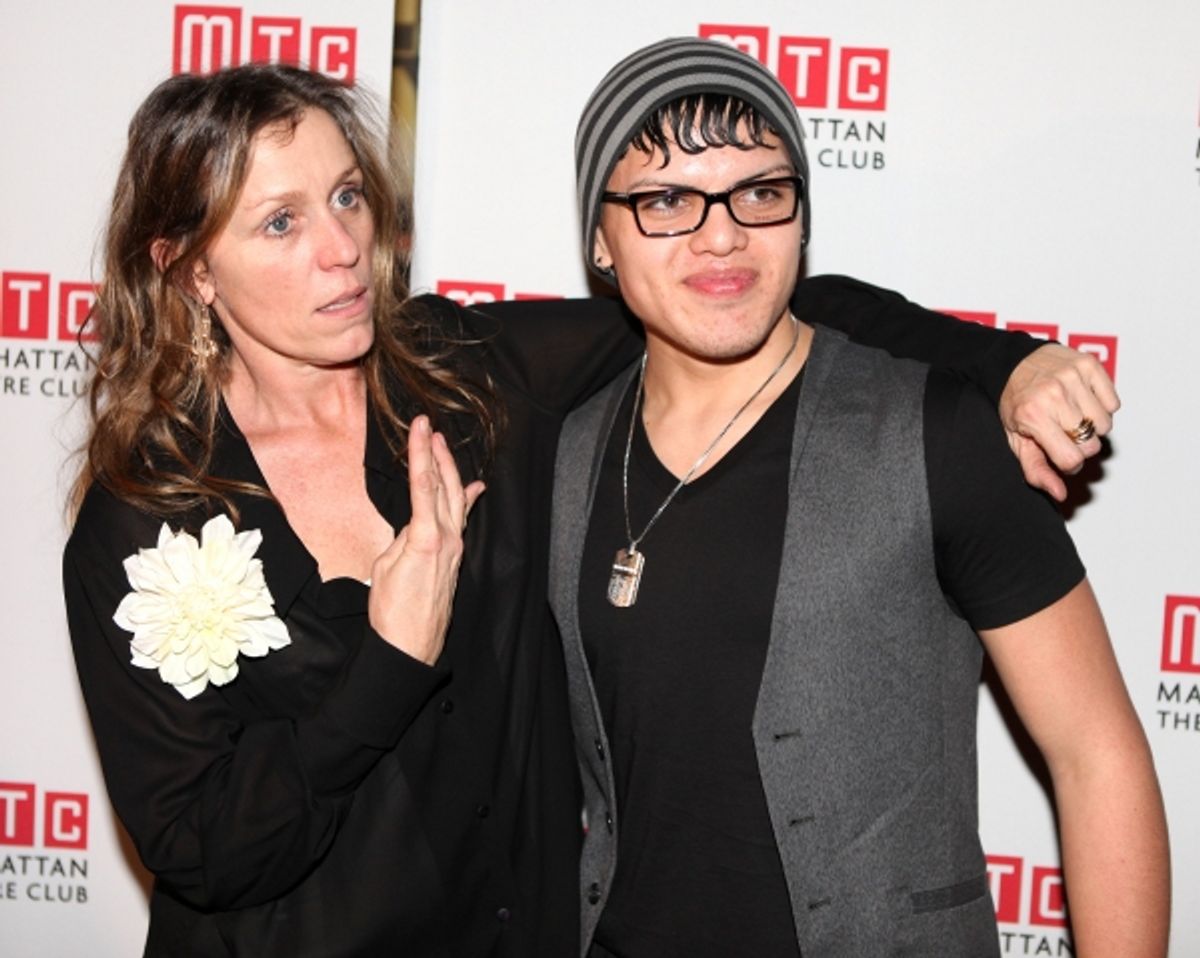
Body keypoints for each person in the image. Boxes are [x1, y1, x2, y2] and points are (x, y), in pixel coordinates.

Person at [63, 64, 1117, 958]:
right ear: (189, 267)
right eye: (280, 222)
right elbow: (205, 852)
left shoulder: (468, 381)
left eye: (347, 197)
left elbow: (729, 290)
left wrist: (1002, 364)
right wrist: (389, 658)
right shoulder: (145, 523)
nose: (340, 248)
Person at [550, 36, 1169, 958]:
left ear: (801, 214)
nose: (722, 234)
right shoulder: (566, 448)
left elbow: (1097, 756)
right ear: (600, 237)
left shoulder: (937, 430)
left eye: (760, 191)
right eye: (666, 199)